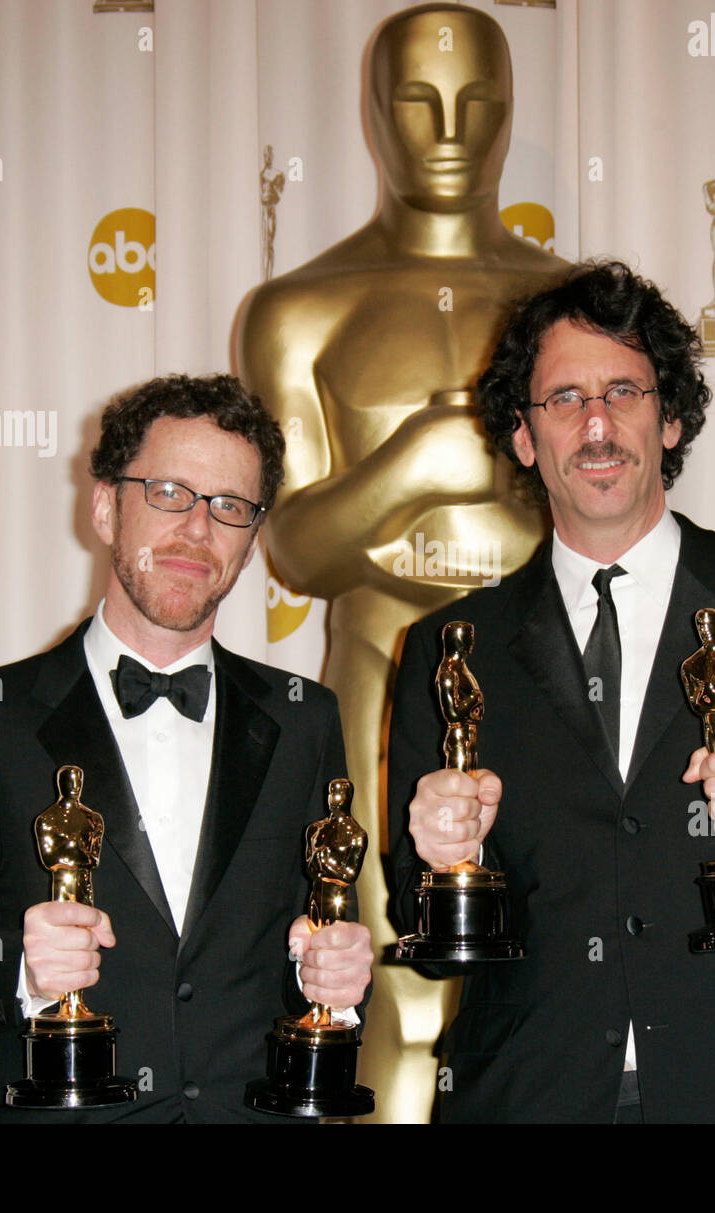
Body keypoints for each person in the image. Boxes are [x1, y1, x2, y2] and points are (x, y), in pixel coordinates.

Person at [388, 262, 715, 1123]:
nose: (597, 424)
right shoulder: (451, 648)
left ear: (670, 419)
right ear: (524, 435)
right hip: (522, 1095)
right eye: (564, 399)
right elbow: (435, 943)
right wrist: (443, 861)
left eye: (624, 390)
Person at [235, 2, 564, 1121]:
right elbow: (297, 547)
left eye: (477, 102)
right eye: (419, 101)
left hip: (557, 674)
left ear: (512, 113)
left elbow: (610, 526)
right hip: (376, 673)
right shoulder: (300, 310)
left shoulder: (568, 310)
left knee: (570, 971)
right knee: (387, 979)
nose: (450, 128)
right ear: (373, 115)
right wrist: (424, 455)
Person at [0, 374, 373, 1123]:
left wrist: (337, 982)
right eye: (169, 492)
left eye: (230, 507)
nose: (197, 531)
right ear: (106, 506)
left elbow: (317, 949)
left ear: (252, 541)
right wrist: (21, 969)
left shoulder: (305, 719)